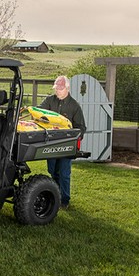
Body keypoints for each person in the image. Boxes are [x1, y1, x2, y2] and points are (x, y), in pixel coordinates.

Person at [40, 75, 86, 209]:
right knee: (53, 171)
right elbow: (40, 113)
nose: (57, 91)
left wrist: (75, 137)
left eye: (60, 88)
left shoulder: (74, 106)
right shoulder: (49, 101)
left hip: (67, 144)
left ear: (67, 88)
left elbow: (81, 127)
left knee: (64, 173)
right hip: (51, 143)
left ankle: (64, 200)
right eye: (56, 88)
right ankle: (55, 196)